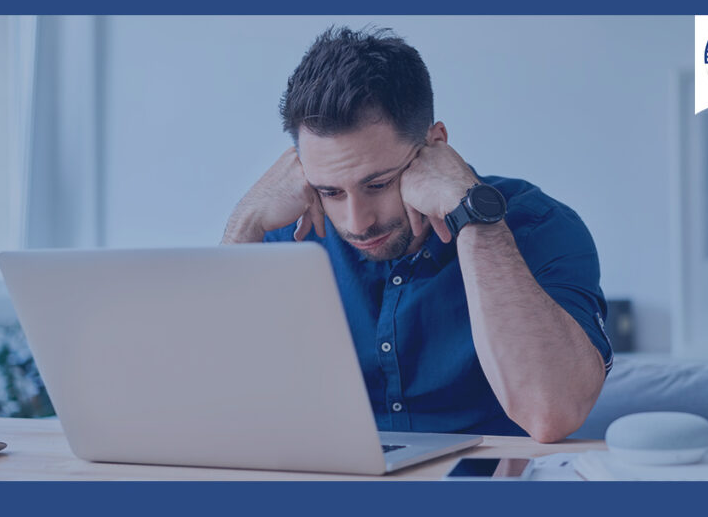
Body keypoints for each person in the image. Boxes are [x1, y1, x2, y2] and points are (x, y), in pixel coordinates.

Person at [221, 26, 613, 443]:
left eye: (377, 185)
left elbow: (551, 413)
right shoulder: (288, 238)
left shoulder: (539, 227)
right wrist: (243, 223)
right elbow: (215, 410)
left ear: (435, 144)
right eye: (330, 191)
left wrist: (474, 216)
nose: (357, 222)